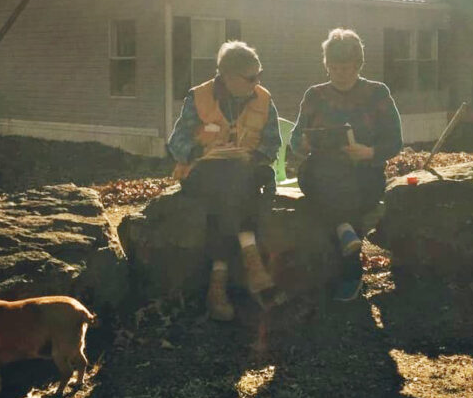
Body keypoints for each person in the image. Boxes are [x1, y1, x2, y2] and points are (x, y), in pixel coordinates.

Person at [168, 41, 283, 321]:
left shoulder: (264, 99)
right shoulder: (198, 97)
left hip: (242, 173)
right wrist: (200, 151)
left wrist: (254, 156)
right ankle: (252, 261)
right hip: (201, 173)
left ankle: (217, 287)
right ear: (228, 77)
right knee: (232, 183)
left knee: (229, 193)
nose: (258, 82)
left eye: (259, 75)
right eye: (251, 77)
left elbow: (272, 143)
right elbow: (177, 141)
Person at [291, 29, 402, 301]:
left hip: (363, 172)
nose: (340, 74)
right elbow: (295, 139)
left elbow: (395, 141)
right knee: (323, 182)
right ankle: (345, 234)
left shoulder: (377, 93)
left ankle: (349, 269)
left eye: (346, 68)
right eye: (334, 68)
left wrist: (368, 152)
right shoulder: (314, 95)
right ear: (326, 65)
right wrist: (304, 143)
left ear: (358, 65)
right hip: (321, 172)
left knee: (346, 194)